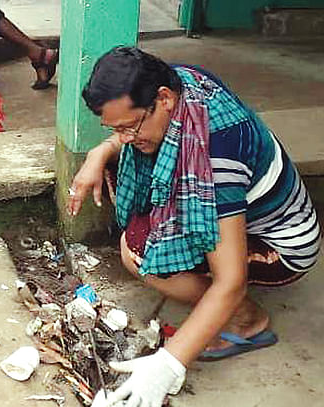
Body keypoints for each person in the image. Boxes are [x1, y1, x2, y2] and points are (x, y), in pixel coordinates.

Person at [67, 47, 320, 407]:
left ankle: (249, 322)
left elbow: (231, 281)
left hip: (284, 244)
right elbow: (125, 141)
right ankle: (222, 312)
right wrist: (100, 152)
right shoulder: (178, 81)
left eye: (129, 127)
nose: (124, 137)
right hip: (248, 211)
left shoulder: (216, 156)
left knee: (139, 252)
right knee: (117, 171)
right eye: (115, 129)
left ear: (163, 100)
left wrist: (168, 365)